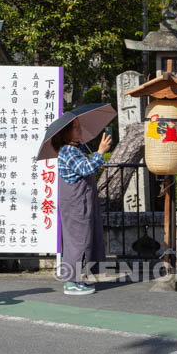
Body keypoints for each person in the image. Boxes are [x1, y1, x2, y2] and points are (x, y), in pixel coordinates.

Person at [55, 120, 112, 296]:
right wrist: (100, 152)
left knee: (80, 240)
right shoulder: (68, 150)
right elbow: (86, 168)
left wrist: (95, 155)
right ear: (66, 133)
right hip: (76, 204)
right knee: (77, 241)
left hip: (78, 203)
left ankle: (75, 280)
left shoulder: (75, 149)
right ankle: (71, 282)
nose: (80, 129)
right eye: (75, 128)